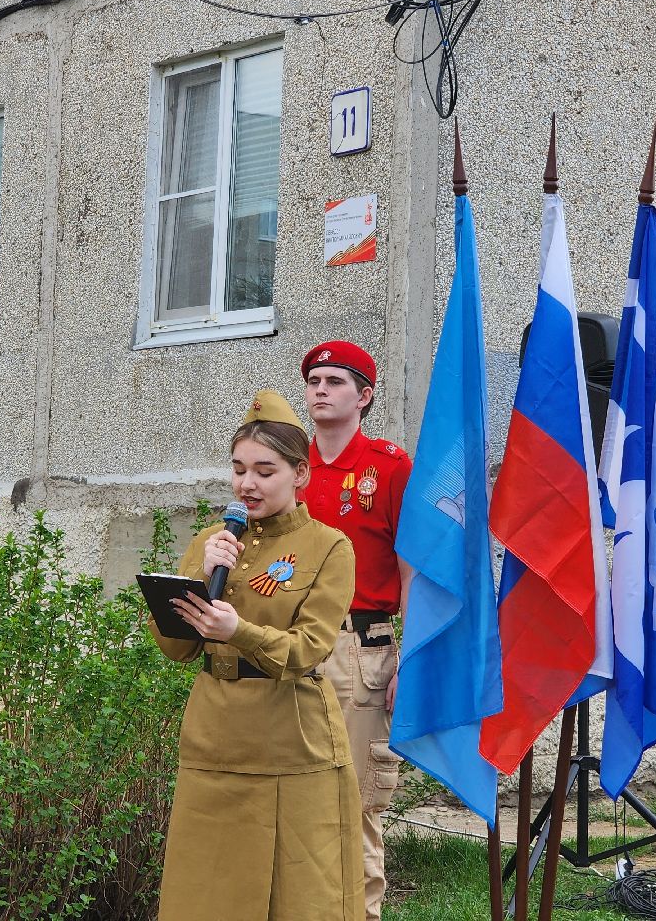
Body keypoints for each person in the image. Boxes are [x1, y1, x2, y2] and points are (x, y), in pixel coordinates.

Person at [150, 390, 365, 921]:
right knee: (207, 897)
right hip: (213, 740)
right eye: (239, 468)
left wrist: (237, 629)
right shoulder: (212, 541)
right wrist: (202, 582)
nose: (247, 484)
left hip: (290, 742)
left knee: (298, 899)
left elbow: (309, 648)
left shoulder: (329, 547)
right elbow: (175, 647)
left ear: (300, 475)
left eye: (265, 471)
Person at [298, 341, 411, 921]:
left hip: (358, 646)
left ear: (364, 395)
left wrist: (411, 659)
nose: (321, 389)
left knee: (355, 802)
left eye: (336, 381)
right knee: (294, 797)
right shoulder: (291, 467)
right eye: (314, 379)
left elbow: (416, 564)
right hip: (291, 648)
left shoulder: (388, 467)